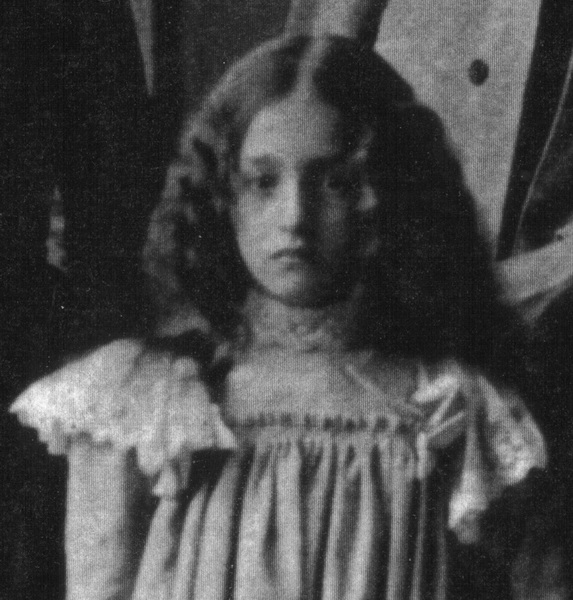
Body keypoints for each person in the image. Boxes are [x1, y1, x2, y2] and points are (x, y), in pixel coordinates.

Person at [11, 1, 547, 598]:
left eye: (335, 182)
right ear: (221, 195)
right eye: (263, 182)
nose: (295, 217)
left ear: (389, 193)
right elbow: (101, 581)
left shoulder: (445, 405)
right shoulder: (158, 402)